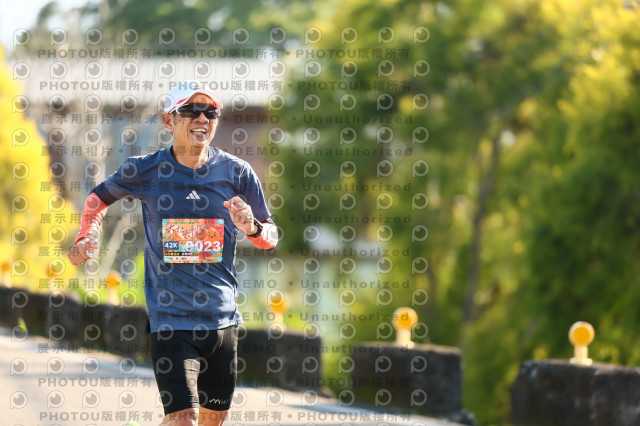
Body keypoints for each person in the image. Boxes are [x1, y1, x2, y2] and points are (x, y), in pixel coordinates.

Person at [68, 81, 278, 426]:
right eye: (191, 110)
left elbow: (270, 236)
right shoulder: (145, 169)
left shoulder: (237, 172)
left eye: (211, 112)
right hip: (171, 322)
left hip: (223, 322)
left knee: (212, 421)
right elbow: (97, 199)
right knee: (183, 418)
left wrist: (253, 228)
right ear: (169, 120)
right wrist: (87, 235)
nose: (202, 118)